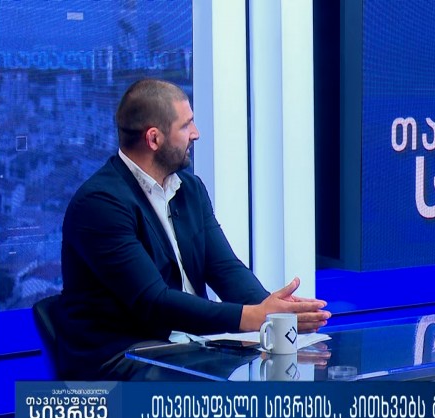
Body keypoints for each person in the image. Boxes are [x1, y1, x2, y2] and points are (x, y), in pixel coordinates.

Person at [54, 79, 330, 380]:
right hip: (121, 359)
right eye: (186, 125)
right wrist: (251, 317)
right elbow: (154, 302)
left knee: (288, 372)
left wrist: (272, 313)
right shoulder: (101, 203)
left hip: (189, 347)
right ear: (154, 138)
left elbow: (225, 269)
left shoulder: (190, 189)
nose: (196, 133)